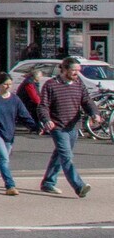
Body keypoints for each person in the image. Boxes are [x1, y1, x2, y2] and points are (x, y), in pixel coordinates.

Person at [39, 57, 96, 198]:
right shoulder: (51, 85)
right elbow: (43, 106)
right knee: (66, 157)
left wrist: (94, 113)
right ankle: (79, 186)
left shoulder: (78, 83)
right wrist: (47, 120)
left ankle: (48, 182)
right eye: (74, 70)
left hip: (73, 126)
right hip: (58, 126)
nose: (77, 73)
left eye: (78, 70)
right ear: (64, 69)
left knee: (59, 155)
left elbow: (86, 101)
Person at [0, 75, 40, 196]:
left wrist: (35, 127)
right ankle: (10, 186)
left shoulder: (15, 99)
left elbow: (24, 116)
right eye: (5, 84)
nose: (8, 87)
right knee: (4, 158)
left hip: (8, 133)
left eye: (10, 84)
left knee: (1, 159)